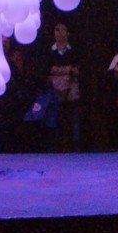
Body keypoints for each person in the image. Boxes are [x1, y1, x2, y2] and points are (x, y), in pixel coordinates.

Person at [47, 22, 81, 150]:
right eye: (57, 30)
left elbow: (76, 71)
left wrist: (58, 71)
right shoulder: (49, 51)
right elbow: (48, 70)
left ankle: (75, 147)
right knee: (56, 120)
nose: (60, 33)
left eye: (63, 30)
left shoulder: (74, 51)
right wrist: (68, 70)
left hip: (72, 92)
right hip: (55, 93)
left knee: (74, 120)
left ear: (68, 33)